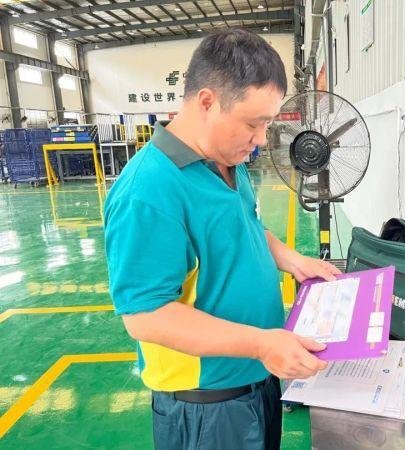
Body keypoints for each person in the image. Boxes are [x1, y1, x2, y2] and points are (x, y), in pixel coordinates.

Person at [104, 28, 341, 450]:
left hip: (258, 380)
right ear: (207, 102)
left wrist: (292, 260)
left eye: (267, 123)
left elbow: (245, 226)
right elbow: (146, 316)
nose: (261, 139)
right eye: (253, 123)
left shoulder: (228, 159)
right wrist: (261, 344)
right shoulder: (149, 190)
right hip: (207, 411)